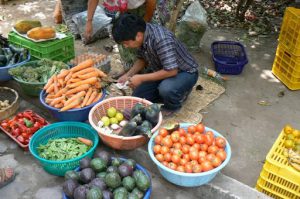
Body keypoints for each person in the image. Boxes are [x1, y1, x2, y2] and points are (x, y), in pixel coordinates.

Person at [112, 14, 199, 115]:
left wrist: (141, 78)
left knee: (166, 89)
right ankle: (172, 92)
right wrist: (128, 75)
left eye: (126, 43)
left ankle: (174, 104)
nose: (126, 46)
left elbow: (172, 70)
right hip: (161, 69)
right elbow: (142, 59)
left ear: (138, 36)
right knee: (138, 96)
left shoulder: (161, 39)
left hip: (184, 72)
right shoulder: (142, 34)